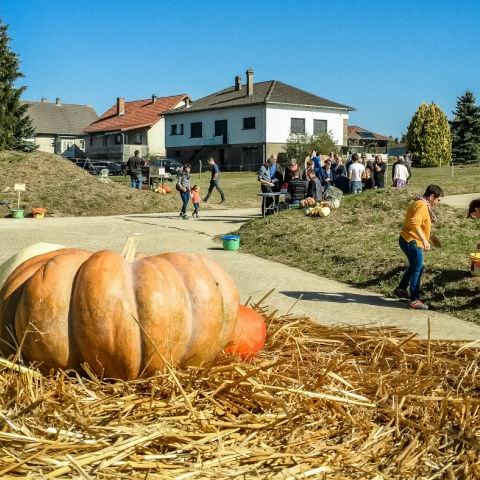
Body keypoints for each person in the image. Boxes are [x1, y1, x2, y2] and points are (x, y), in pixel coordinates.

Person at [394, 184, 444, 310]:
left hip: (407, 239)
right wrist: (424, 241)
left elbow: (421, 224)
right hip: (412, 241)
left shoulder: (422, 203)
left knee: (414, 265)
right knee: (419, 267)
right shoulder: (421, 205)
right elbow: (414, 223)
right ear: (432, 196)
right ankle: (414, 299)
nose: (438, 202)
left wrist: (429, 237)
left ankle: (401, 289)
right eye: (438, 199)